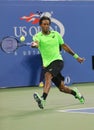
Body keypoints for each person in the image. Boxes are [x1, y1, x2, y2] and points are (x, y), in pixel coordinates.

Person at [32, 16, 85, 109]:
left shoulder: (56, 34)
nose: (46, 26)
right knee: (62, 88)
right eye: (44, 24)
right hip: (47, 64)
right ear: (40, 25)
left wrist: (77, 57)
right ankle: (76, 93)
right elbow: (36, 43)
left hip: (58, 61)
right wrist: (35, 45)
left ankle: (43, 99)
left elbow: (64, 46)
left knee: (48, 75)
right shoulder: (37, 36)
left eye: (48, 24)